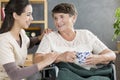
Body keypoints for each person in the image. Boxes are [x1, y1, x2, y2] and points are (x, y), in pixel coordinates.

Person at [34, 3, 116, 80]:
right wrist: (60, 57)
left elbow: (112, 55)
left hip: (91, 75)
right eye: (55, 18)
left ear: (73, 17)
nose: (58, 22)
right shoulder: (49, 37)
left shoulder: (86, 34)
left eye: (62, 17)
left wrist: (99, 58)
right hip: (66, 75)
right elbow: (37, 60)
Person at [0, 0, 58, 80]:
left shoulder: (21, 33)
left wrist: (40, 37)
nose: (32, 18)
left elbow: (28, 43)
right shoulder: (3, 41)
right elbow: (14, 74)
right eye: (28, 14)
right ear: (15, 15)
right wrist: (45, 62)